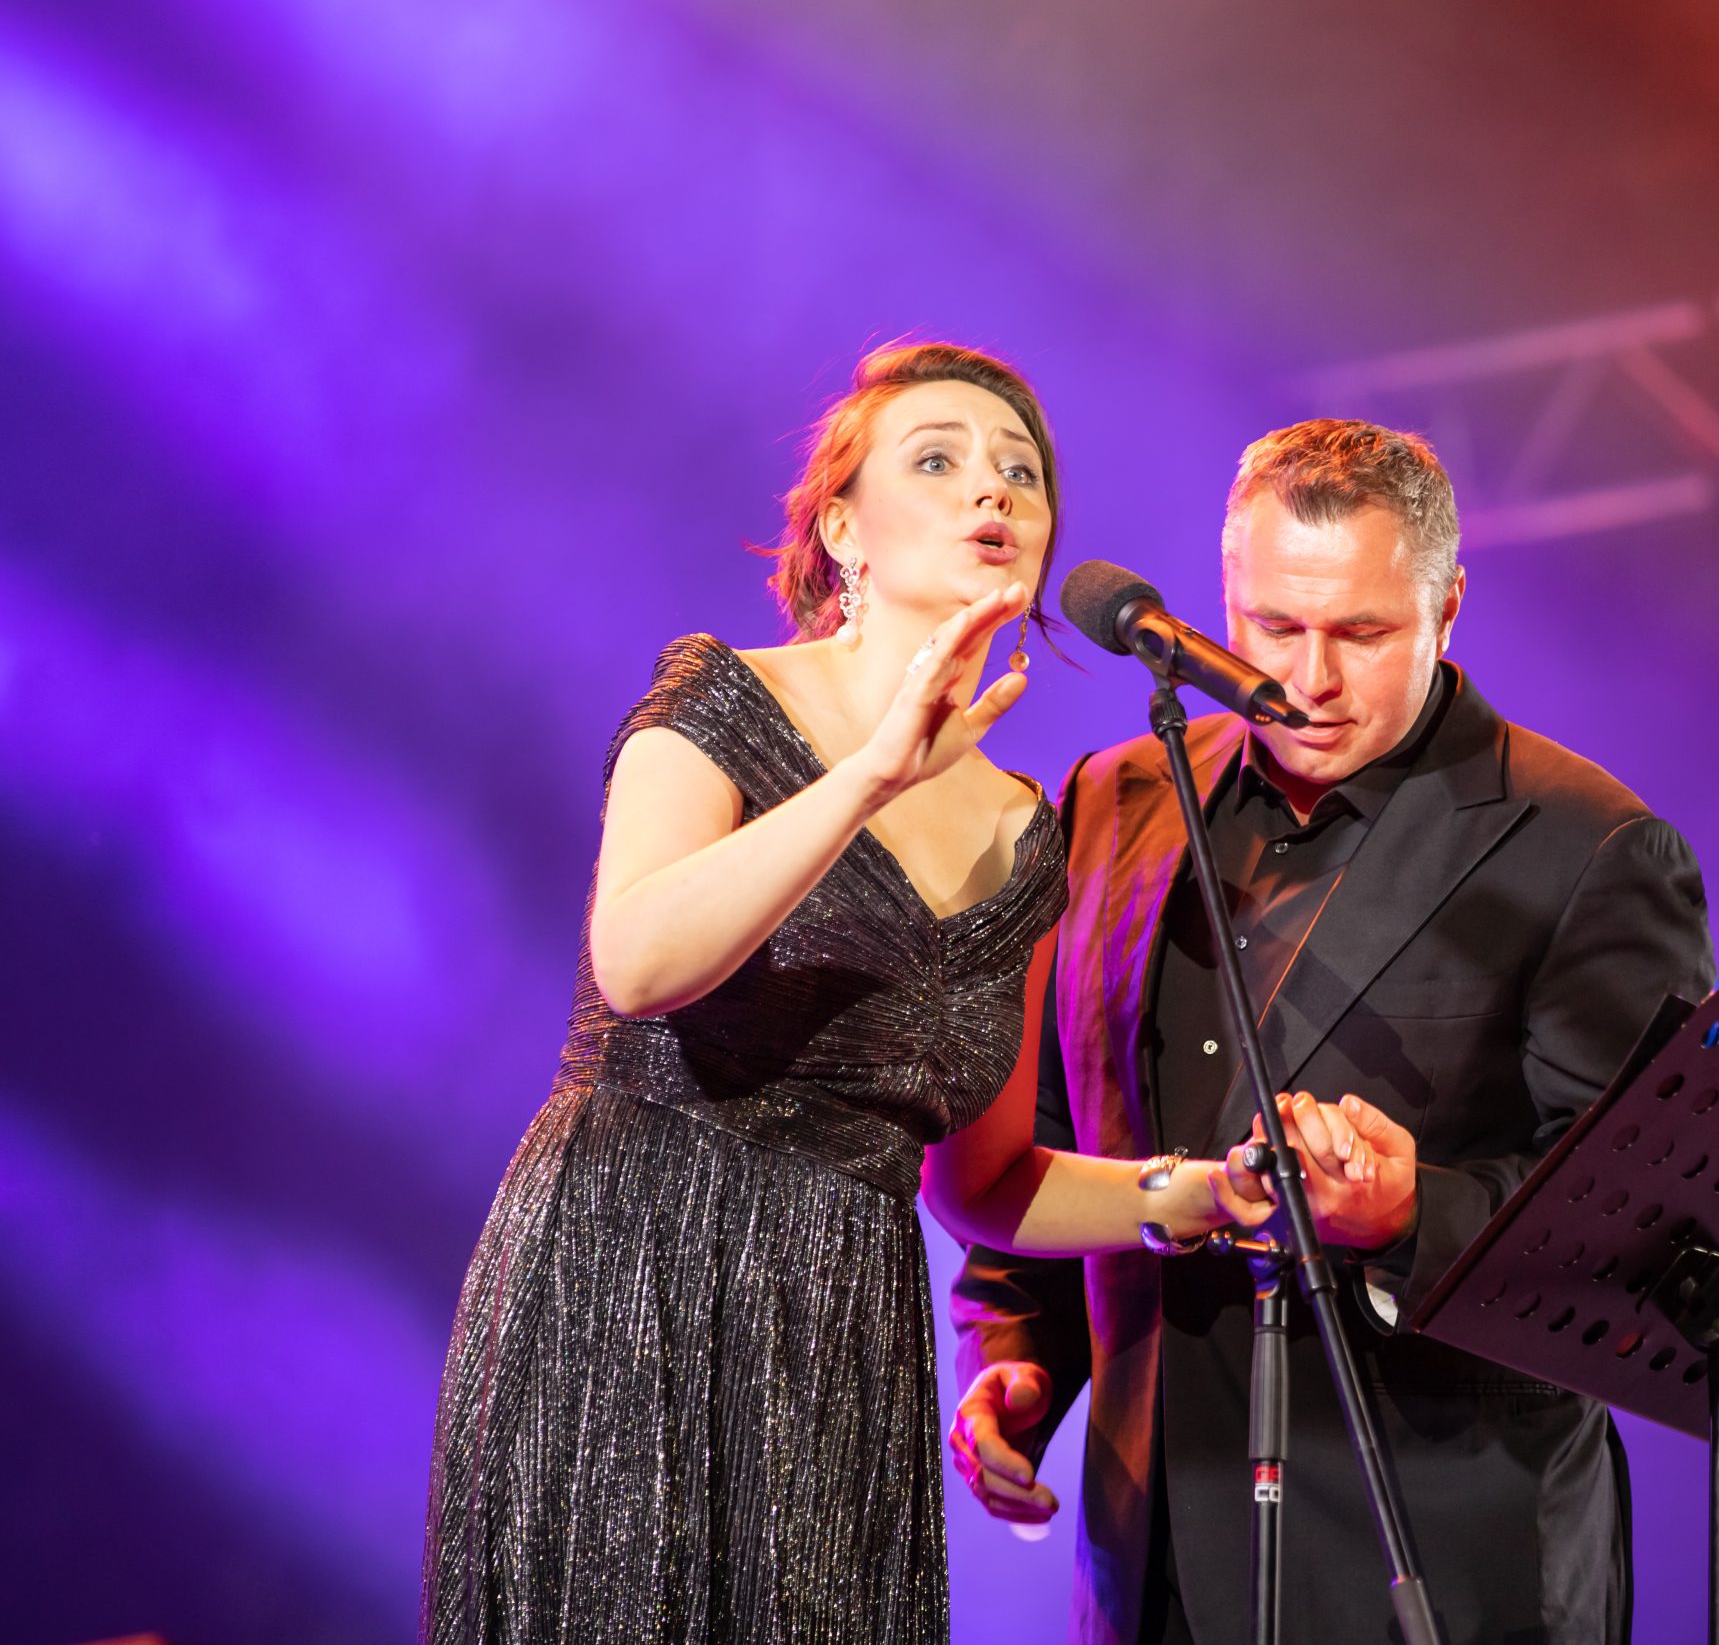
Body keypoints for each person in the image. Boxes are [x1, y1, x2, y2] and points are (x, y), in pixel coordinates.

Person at [420, 343, 1261, 1645]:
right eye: (938, 459)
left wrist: (1195, 1194)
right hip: (637, 1266)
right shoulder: (721, 698)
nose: (993, 489)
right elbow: (637, 963)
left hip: (839, 1326)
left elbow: (983, 1182)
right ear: (841, 530)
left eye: (1022, 472)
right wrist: (868, 776)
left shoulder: (1026, 837)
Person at [948, 419, 1714, 1644]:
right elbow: (1055, 1131)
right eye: (1271, 628)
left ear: (1447, 609)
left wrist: (1413, 1215)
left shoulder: (1591, 844)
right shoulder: (1110, 797)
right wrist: (1019, 1355)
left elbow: (1649, 1226)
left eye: (1360, 634)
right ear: (1223, 604)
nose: (1308, 680)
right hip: (1153, 1555)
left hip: (1445, 1562)